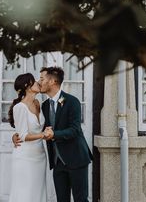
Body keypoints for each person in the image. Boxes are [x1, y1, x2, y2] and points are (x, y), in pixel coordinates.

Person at [13, 66, 93, 202]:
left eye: (42, 78)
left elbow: (75, 130)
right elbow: (35, 127)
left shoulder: (72, 101)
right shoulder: (43, 105)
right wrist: (16, 135)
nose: (39, 82)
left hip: (76, 158)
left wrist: (54, 134)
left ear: (52, 82)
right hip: (57, 162)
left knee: (81, 199)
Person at [7, 73, 49, 202]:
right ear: (27, 86)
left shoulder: (38, 103)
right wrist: (42, 135)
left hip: (40, 155)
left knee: (38, 192)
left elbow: (40, 126)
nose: (38, 82)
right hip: (25, 157)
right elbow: (23, 135)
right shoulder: (19, 107)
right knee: (24, 193)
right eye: (34, 81)